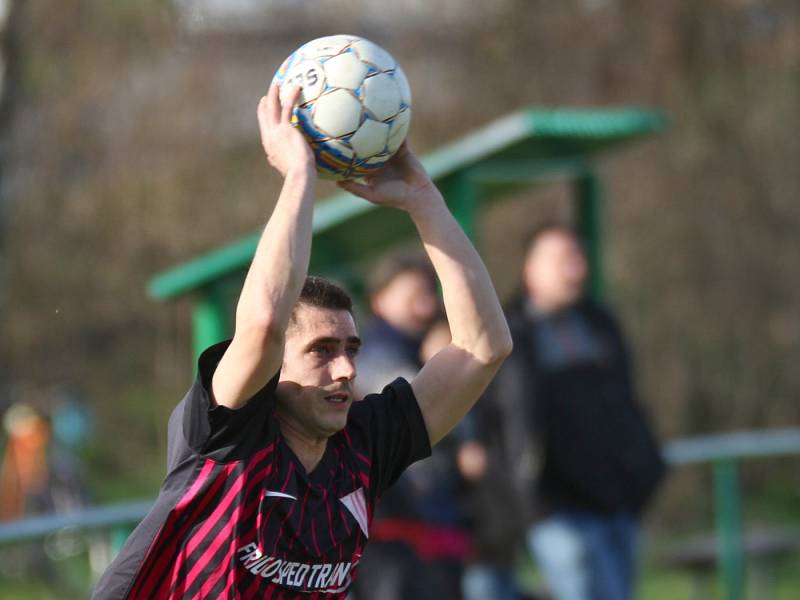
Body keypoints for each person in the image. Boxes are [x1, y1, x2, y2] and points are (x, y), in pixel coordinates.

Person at [92, 83, 512, 599]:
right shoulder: (230, 432)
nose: (345, 370)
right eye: (321, 350)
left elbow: (483, 348)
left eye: (351, 349)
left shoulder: (365, 446)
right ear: (273, 367)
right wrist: (299, 175)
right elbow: (265, 321)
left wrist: (426, 204)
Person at [480, 224, 665, 600]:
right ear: (530, 268)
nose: (575, 270)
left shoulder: (600, 322)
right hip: (553, 508)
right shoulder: (509, 335)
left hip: (618, 500)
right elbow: (500, 425)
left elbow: (628, 402)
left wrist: (646, 469)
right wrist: (529, 504)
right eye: (562, 260)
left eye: (578, 259)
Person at [352, 261, 471, 600]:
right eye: (411, 294)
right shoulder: (373, 358)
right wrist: (441, 364)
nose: (424, 305)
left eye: (427, 294)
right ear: (379, 300)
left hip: (434, 520)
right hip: (398, 524)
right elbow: (421, 413)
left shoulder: (419, 350)